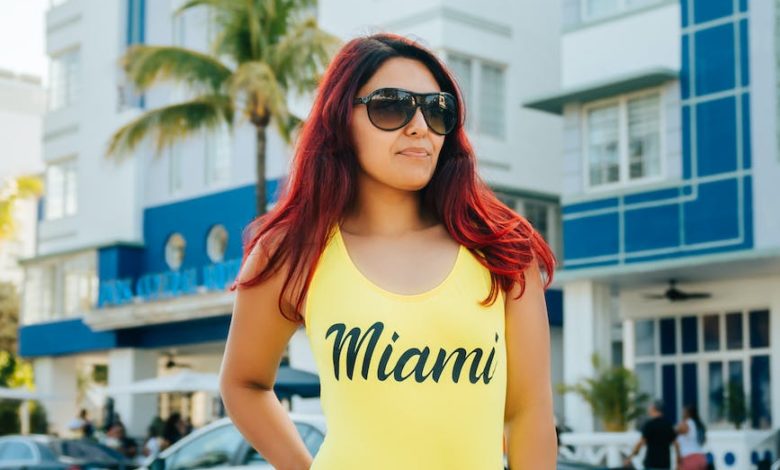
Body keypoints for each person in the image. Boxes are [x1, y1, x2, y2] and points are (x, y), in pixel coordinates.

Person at [219, 33, 557, 469]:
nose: (419, 126)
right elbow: (243, 384)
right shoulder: (292, 252)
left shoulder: (502, 250)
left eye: (437, 111)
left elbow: (528, 410)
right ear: (341, 119)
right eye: (391, 105)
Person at [624, 400, 680, 470]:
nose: (648, 410)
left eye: (649, 407)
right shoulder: (668, 425)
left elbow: (640, 443)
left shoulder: (649, 425)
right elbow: (676, 444)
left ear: (654, 408)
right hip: (665, 464)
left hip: (652, 463)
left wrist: (630, 457)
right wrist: (678, 463)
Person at [675, 404, 708, 470]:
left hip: (689, 458)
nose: (682, 414)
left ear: (688, 413)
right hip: (700, 457)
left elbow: (677, 431)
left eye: (683, 412)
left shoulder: (687, 423)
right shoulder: (697, 424)